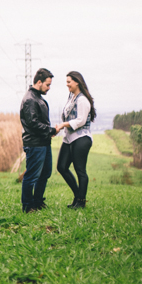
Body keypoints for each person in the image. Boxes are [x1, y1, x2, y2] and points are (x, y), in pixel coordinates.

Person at [54, 71, 96, 209]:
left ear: (76, 82)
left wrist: (63, 125)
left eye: (69, 82)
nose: (67, 85)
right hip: (69, 138)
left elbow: (81, 120)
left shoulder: (83, 100)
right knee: (61, 166)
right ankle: (78, 196)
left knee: (80, 171)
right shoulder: (72, 97)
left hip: (81, 138)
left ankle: (80, 202)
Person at [19, 68, 58, 213]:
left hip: (43, 143)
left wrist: (49, 133)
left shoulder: (38, 98)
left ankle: (38, 201)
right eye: (47, 85)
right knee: (32, 175)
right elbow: (33, 123)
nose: (49, 88)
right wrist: (51, 130)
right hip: (35, 144)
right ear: (39, 82)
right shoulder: (30, 99)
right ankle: (28, 206)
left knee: (45, 173)